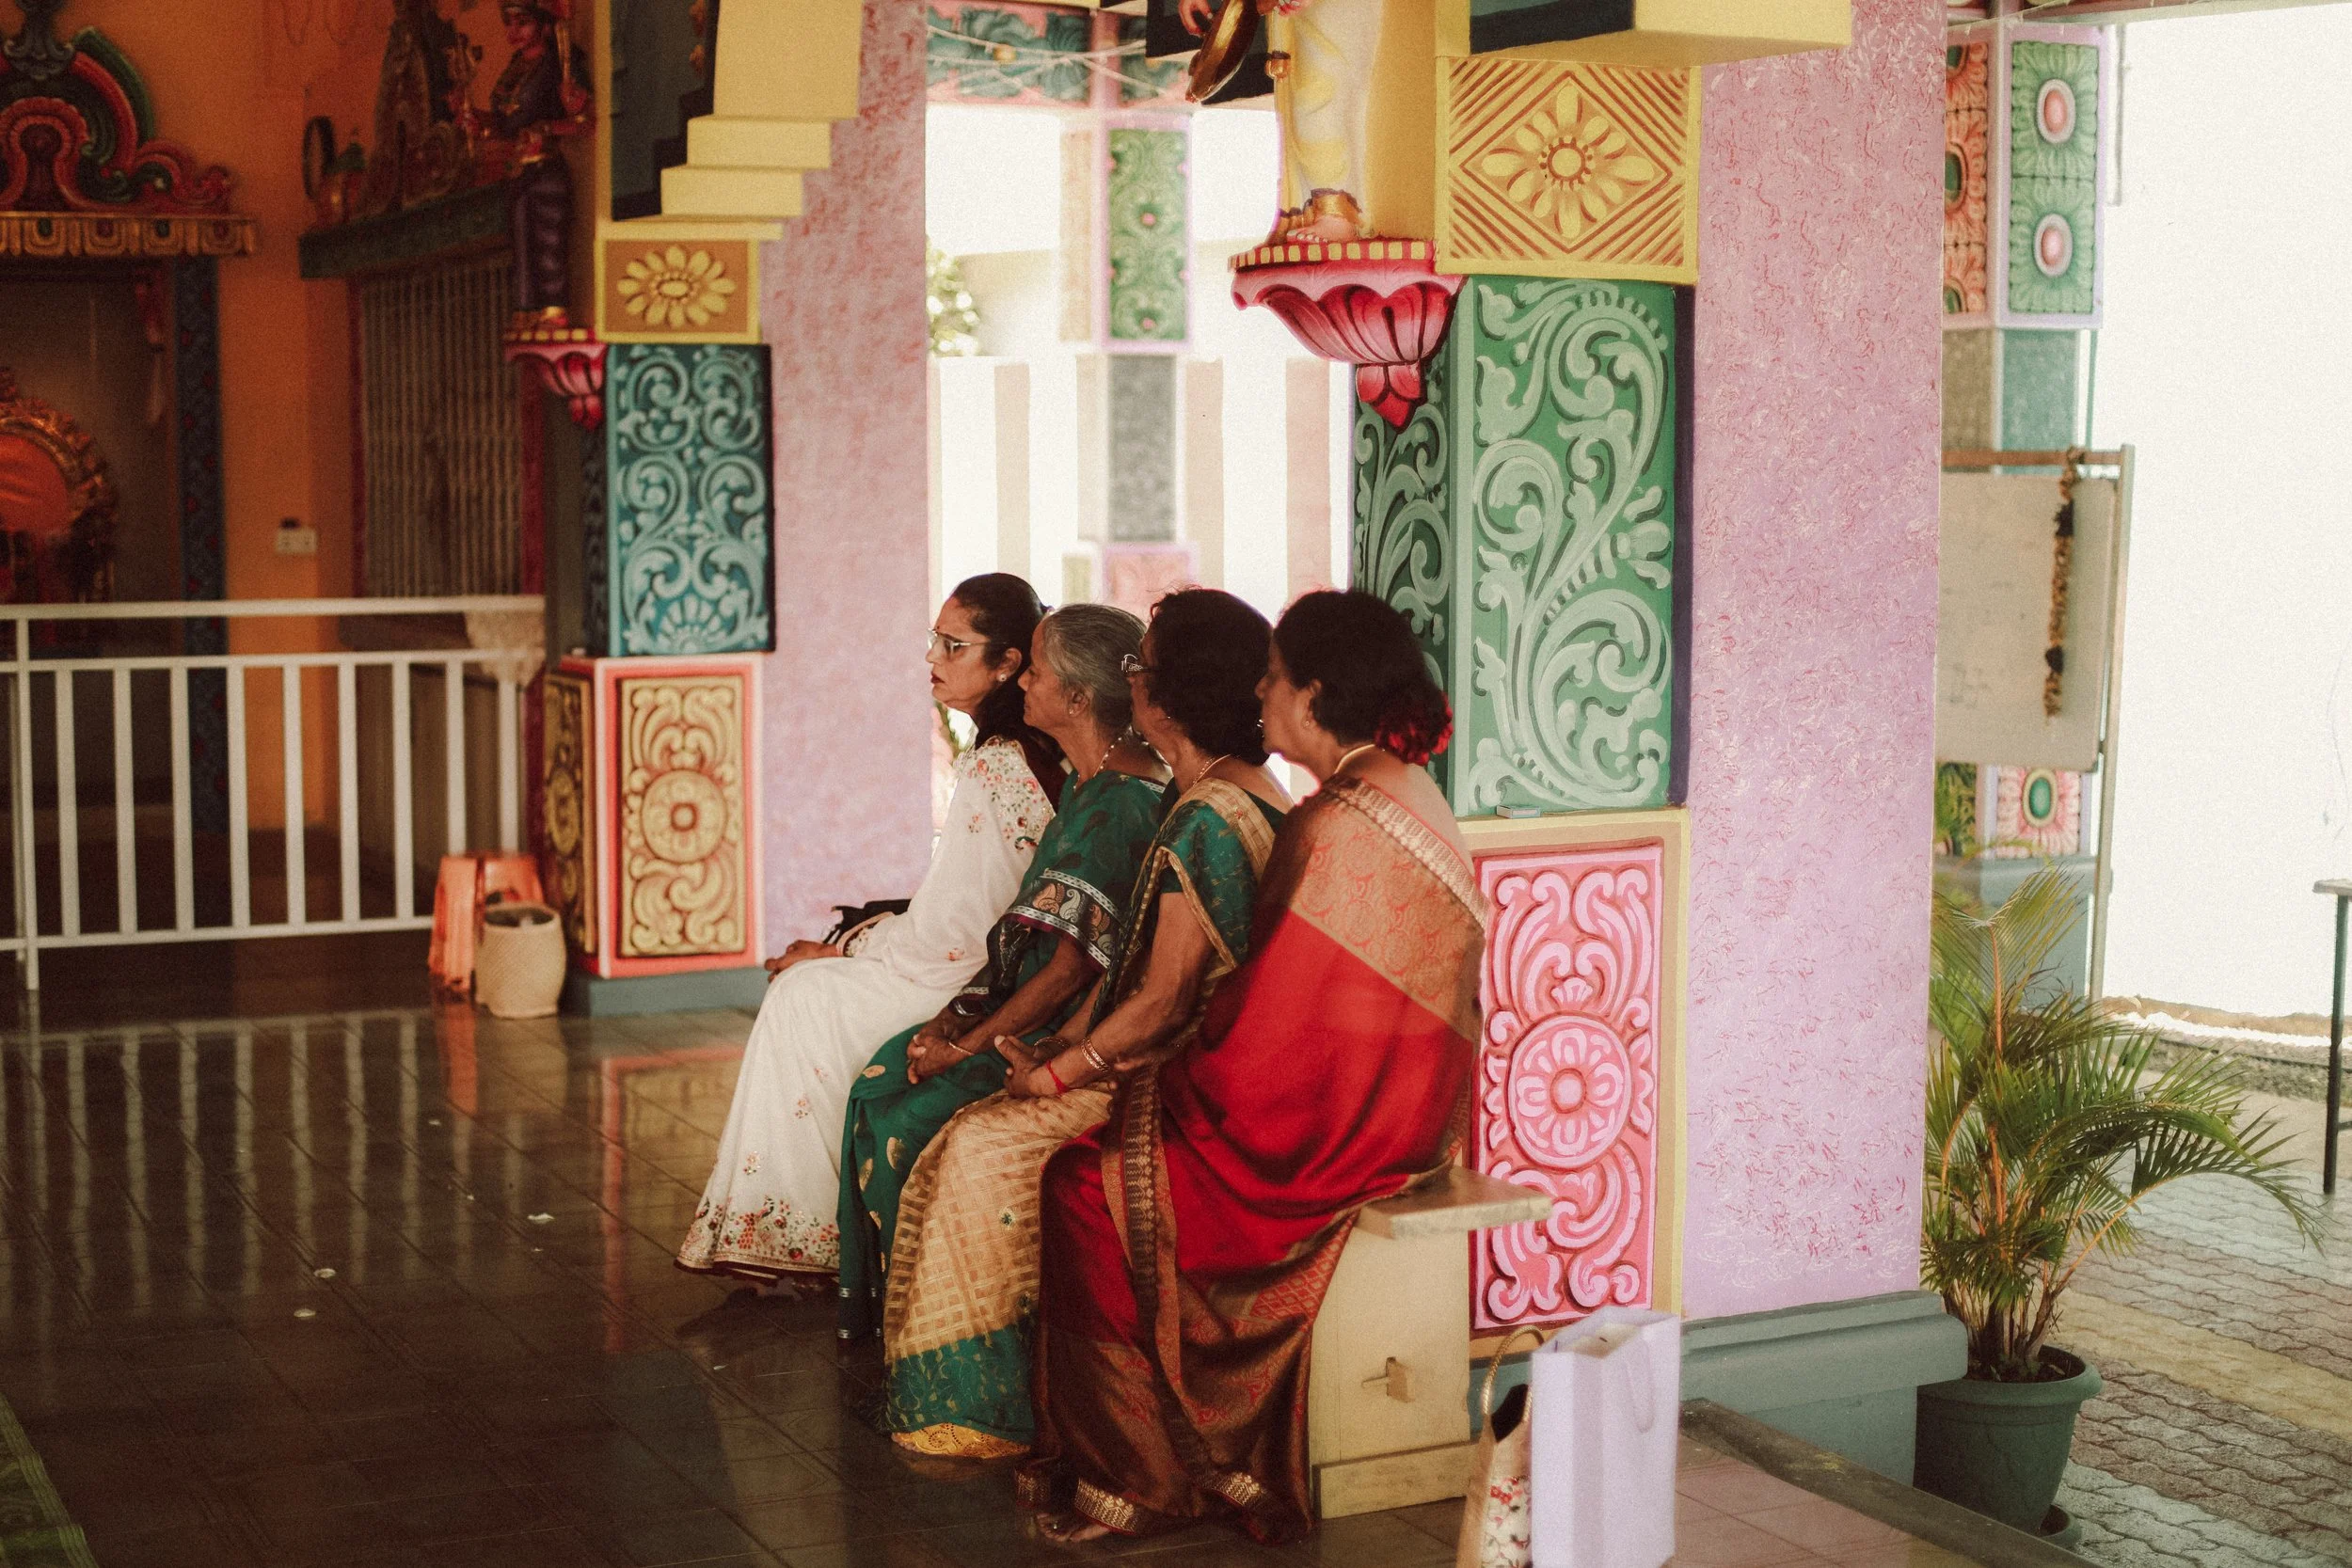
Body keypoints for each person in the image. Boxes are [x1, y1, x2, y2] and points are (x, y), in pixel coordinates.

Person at [1027, 590, 1486, 1544]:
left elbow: (1267, 1030)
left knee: (1080, 1187)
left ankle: (1144, 1474)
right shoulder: (1395, 790)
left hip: (1341, 1128)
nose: (1260, 695)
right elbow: (1291, 1012)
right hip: (1411, 1110)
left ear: (1313, 696)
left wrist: (1160, 1075)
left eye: (1274, 679)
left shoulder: (1339, 822)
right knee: (1109, 1152)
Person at [878, 589, 1291, 1460]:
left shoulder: (1207, 814)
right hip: (1175, 1055)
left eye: (1143, 667)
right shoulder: (1213, 791)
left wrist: (1059, 1070)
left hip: (1187, 1080)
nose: (1130, 681)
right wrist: (1056, 1044)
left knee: (980, 1148)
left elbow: (1166, 999)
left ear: (1168, 699)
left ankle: (990, 1414)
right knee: (968, 1130)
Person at [676, 575, 1061, 1291]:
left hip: (971, 981)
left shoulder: (999, 765)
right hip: (981, 962)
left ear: (1007, 664)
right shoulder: (1026, 752)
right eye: (934, 640)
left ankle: (812, 1241)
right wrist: (858, 942)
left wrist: (847, 946)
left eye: (954, 646)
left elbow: (954, 931)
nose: (933, 658)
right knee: (813, 983)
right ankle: (807, 1235)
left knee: (802, 998)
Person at [834, 605, 1168, 1342]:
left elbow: (1070, 971)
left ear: (1076, 698)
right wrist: (954, 1017)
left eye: (1036, 672)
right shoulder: (1087, 782)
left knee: (899, 1115)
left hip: (1057, 1025)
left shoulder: (1120, 803)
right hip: (1024, 1006)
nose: (1023, 684)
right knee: (876, 1082)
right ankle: (892, 1321)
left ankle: (940, 1331)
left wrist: (967, 1046)